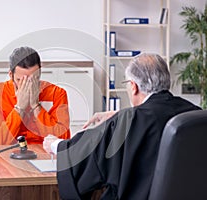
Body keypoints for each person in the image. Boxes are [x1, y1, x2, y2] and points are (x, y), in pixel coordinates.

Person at [43, 53, 201, 199]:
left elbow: (89, 150)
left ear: (133, 86)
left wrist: (56, 145)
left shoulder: (130, 121)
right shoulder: (194, 115)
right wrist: (119, 116)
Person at [0, 46, 71, 145]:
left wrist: (36, 106)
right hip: (6, 155)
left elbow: (62, 141)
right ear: (11, 75)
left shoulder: (57, 94)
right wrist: (19, 108)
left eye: (34, 79)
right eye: (21, 80)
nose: (28, 85)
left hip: (44, 155)